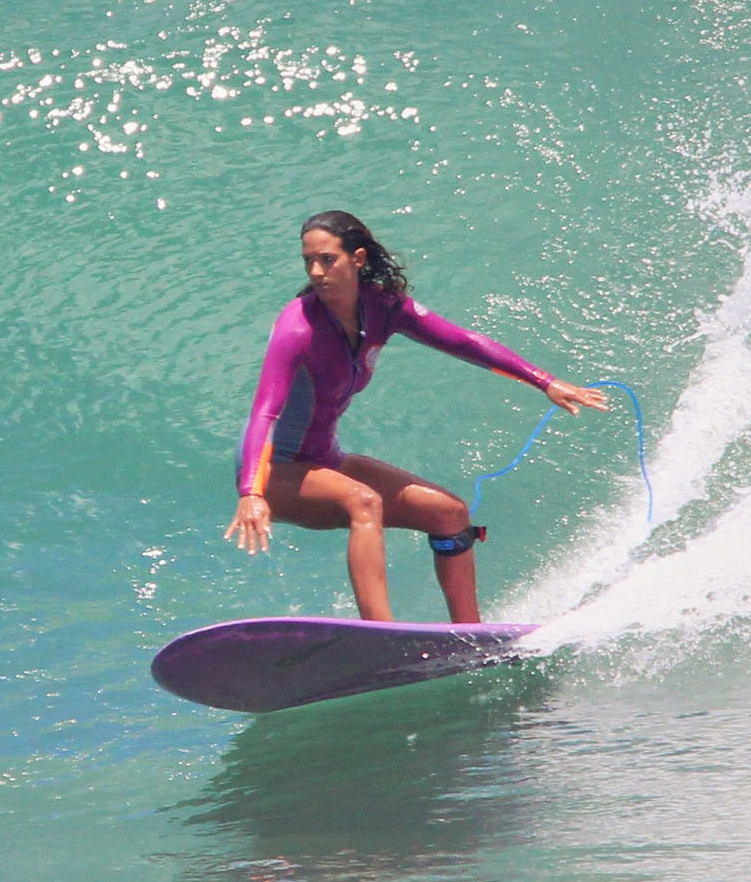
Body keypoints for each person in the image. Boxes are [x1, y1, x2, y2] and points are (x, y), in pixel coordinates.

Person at [226, 209, 609, 624]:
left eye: (327, 259)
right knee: (364, 502)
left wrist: (543, 381)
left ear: (356, 259)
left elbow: (465, 342)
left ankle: (469, 635)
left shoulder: (383, 309)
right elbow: (265, 412)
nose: (316, 272)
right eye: (308, 261)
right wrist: (251, 491)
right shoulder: (297, 327)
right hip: (274, 469)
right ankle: (380, 633)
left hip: (324, 459)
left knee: (450, 513)